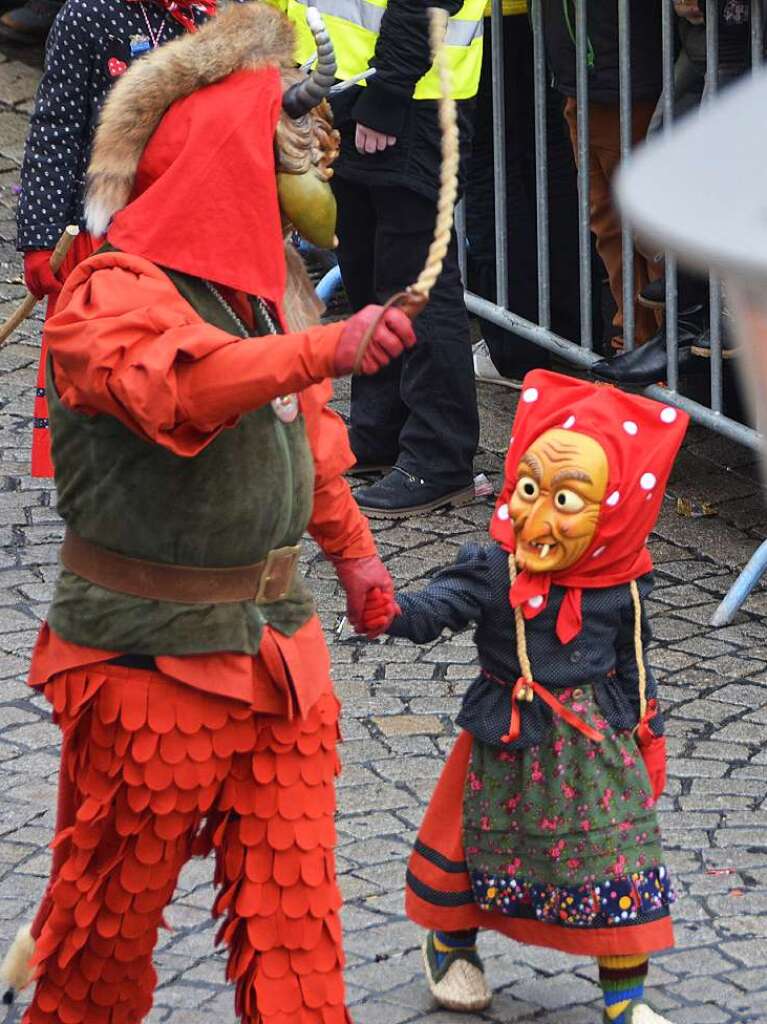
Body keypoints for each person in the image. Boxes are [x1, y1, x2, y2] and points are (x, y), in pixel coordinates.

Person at [0, 5, 418, 1022]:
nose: (297, 177)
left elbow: (310, 441)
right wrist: (323, 347)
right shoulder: (107, 294)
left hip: (278, 661)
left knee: (296, 935)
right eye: (270, 154)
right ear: (221, 156)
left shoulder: (263, 292)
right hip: (149, 671)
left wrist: (356, 559)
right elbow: (184, 388)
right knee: (102, 941)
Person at [360, 370, 688, 1024]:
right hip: (505, 738)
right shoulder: (493, 567)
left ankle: (624, 997)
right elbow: (438, 608)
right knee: (468, 854)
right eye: (530, 489)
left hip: (592, 749)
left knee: (617, 860)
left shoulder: (620, 582)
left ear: (613, 511)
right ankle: (450, 944)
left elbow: (634, 660)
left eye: (565, 500)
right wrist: (384, 609)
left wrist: (644, 730)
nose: (535, 516)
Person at [275, 0, 485, 517]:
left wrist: (391, 85)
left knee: (418, 282)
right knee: (369, 268)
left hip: (410, 93)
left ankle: (439, 457)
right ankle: (379, 432)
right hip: (344, 84)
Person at [16, 0, 213, 478]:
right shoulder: (85, 16)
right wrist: (41, 237)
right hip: (101, 244)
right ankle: (98, 506)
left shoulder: (202, 18)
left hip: (177, 243)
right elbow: (55, 130)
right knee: (99, 384)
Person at [466, 0, 600, 386]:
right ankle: (573, 333)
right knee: (547, 157)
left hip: (476, 19)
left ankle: (516, 349)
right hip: (539, 15)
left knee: (494, 167)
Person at [540, 0, 664, 353]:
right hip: (581, 74)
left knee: (644, 227)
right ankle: (635, 343)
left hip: (624, 72)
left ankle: (661, 352)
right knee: (607, 222)